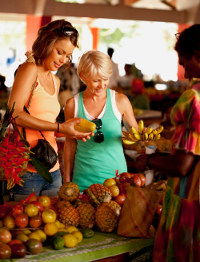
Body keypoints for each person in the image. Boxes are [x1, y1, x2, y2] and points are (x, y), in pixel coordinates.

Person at [8, 19, 93, 201]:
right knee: (25, 228)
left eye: (67, 56)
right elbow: (14, 115)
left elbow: (47, 126)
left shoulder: (55, 81)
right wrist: (60, 128)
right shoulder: (29, 70)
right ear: (46, 43)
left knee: (53, 227)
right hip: (27, 171)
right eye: (60, 52)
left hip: (53, 170)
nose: (63, 60)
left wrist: (70, 132)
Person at [135, 24, 200, 262]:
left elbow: (182, 165)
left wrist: (148, 159)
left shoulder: (194, 97)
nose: (186, 73)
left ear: (198, 56)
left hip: (191, 201)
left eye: (185, 64)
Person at [64, 50, 138, 191]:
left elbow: (135, 134)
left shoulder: (120, 101)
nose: (102, 85)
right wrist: (67, 180)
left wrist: (143, 136)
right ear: (83, 76)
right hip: (83, 181)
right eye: (96, 80)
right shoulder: (72, 105)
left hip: (117, 181)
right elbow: (70, 144)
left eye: (105, 79)